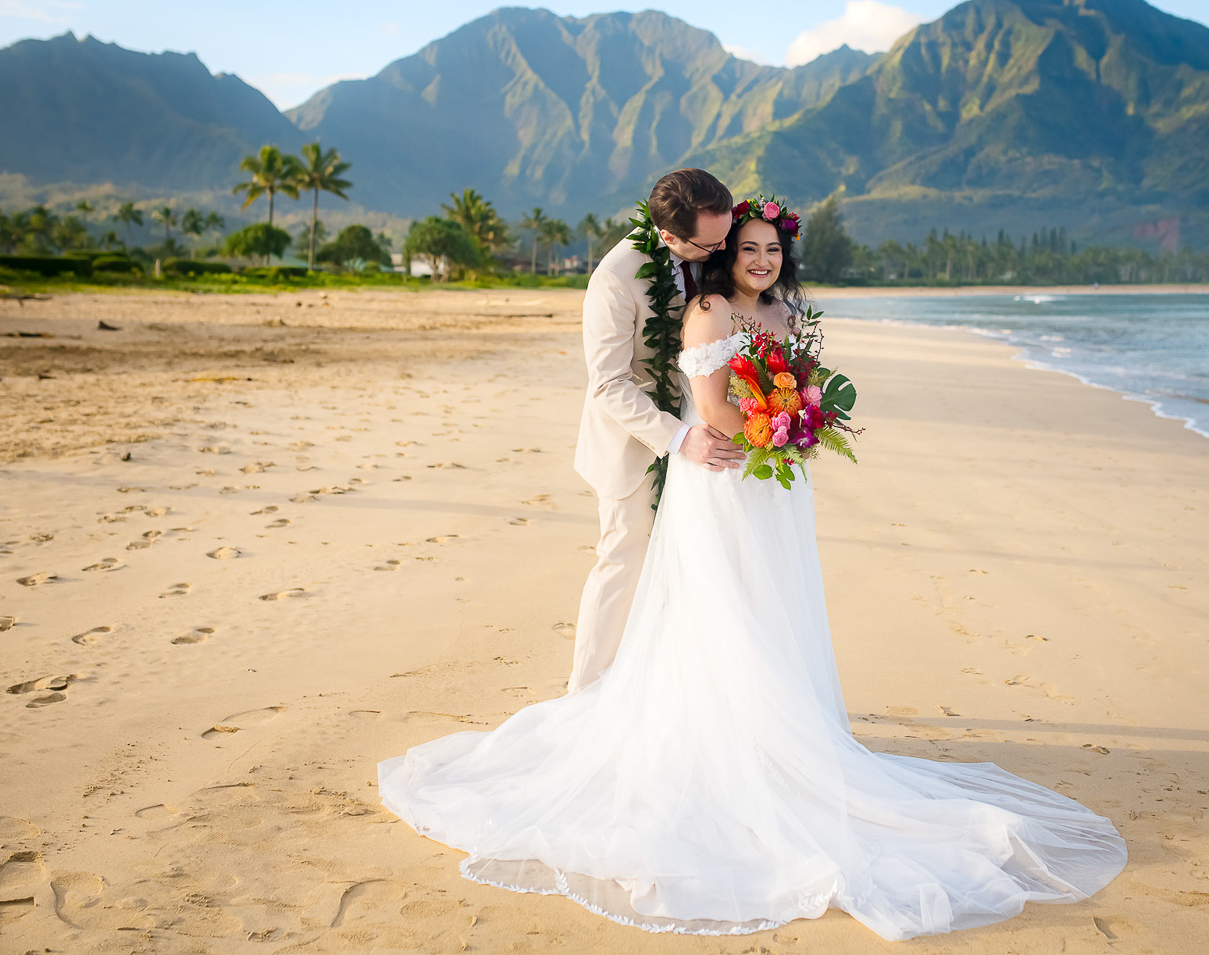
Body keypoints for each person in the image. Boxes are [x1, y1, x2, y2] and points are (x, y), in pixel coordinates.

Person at [378, 197, 1127, 941]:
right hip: (691, 454)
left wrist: (803, 421)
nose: (759, 261)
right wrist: (750, 433)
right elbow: (652, 392)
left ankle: (775, 723)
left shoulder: (777, 309)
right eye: (746, 249)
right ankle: (598, 704)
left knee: (770, 603)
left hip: (766, 475)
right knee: (665, 582)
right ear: (708, 247)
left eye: (770, 251)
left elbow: (790, 380)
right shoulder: (642, 284)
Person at [567, 168, 745, 693]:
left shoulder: (712, 247)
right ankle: (586, 692)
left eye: (725, 237)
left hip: (703, 427)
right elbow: (608, 384)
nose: (722, 251)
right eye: (709, 244)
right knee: (624, 561)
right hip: (635, 443)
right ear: (668, 236)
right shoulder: (616, 278)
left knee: (694, 564)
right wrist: (677, 436)